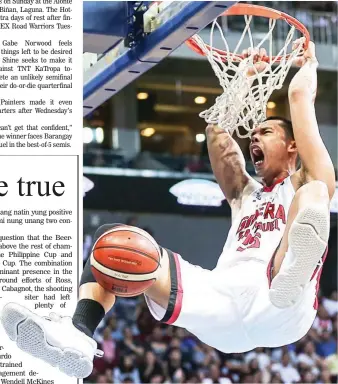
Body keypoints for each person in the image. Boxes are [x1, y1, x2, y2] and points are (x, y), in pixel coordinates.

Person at [1, 41, 335, 379]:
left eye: (266, 132)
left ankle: (292, 274)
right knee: (112, 242)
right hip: (221, 302)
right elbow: (217, 135)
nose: (254, 138)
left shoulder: (303, 181)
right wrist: (243, 81)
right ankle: (79, 334)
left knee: (315, 195)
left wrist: (305, 72)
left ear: (292, 146)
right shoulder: (245, 193)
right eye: (254, 133)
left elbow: (298, 98)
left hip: (279, 302)